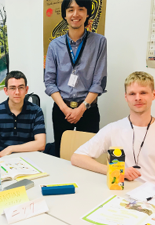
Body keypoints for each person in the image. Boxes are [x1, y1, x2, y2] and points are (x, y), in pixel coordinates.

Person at [71, 72, 155, 189]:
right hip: (123, 194)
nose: (138, 98)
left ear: (153, 94)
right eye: (132, 94)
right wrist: (116, 170)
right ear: (126, 97)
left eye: (143, 92)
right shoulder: (113, 129)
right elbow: (77, 157)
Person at [45, 0, 107, 156]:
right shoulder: (54, 45)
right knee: (62, 154)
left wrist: (81, 109)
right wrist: (65, 109)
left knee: (88, 156)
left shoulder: (99, 42)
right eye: (70, 9)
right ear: (65, 14)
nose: (75, 14)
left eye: (81, 9)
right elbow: (49, 82)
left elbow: (98, 82)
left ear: (87, 13)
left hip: (88, 110)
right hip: (61, 110)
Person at [0, 71, 46, 158]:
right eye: (13, 88)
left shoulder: (36, 111)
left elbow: (40, 144)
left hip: (30, 160)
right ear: (6, 91)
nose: (17, 92)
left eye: (21, 87)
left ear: (26, 90)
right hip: (4, 160)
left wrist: (11, 148)